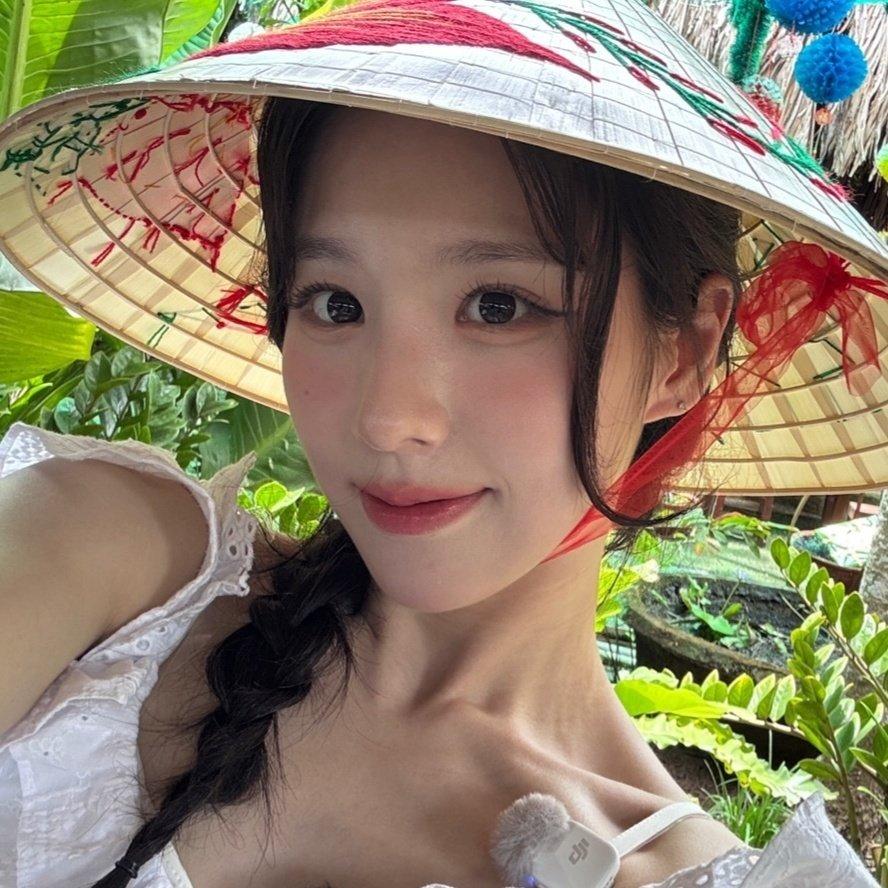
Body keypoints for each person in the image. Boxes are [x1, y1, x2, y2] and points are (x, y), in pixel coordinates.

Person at [0, 0, 885, 886]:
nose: (388, 420)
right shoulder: (108, 563)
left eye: (498, 306)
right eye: (335, 303)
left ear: (683, 351)